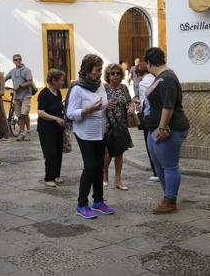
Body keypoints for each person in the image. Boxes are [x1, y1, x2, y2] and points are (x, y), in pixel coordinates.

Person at [66, 54, 115, 219]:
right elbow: (70, 114)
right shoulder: (77, 89)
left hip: (99, 132)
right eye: (97, 70)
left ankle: (98, 201)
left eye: (101, 69)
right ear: (87, 70)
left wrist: (108, 106)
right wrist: (88, 110)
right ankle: (81, 204)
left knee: (100, 166)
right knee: (91, 166)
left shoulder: (99, 86)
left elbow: (102, 102)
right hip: (84, 133)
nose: (100, 73)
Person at [143, 47, 190, 214]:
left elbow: (168, 106)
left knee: (169, 166)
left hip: (170, 129)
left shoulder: (167, 78)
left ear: (148, 63)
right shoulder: (161, 77)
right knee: (160, 165)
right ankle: (167, 196)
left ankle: (170, 200)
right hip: (154, 128)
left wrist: (162, 127)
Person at [103, 63, 134, 191]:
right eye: (113, 73)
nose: (116, 75)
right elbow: (99, 105)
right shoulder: (103, 88)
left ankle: (118, 180)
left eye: (118, 73)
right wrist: (105, 105)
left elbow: (129, 102)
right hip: (108, 124)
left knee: (120, 152)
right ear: (108, 76)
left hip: (121, 124)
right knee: (109, 152)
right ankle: (104, 172)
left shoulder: (123, 88)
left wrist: (131, 107)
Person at [37, 69, 66, 187]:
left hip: (58, 129)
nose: (63, 82)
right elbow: (40, 112)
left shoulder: (58, 92)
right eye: (61, 80)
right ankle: (48, 177)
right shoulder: (44, 94)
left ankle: (56, 175)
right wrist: (56, 118)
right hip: (46, 129)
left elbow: (59, 106)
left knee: (59, 152)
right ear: (54, 80)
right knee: (50, 153)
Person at [134, 61, 159, 182]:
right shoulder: (155, 78)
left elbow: (146, 101)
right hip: (159, 116)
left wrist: (139, 103)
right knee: (158, 142)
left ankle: (156, 172)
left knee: (150, 144)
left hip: (149, 117)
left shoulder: (143, 83)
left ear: (139, 74)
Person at [5, 54, 33, 141]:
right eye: (16, 60)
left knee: (25, 113)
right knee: (20, 116)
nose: (18, 61)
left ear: (21, 59)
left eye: (19, 59)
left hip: (26, 95)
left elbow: (30, 82)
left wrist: (19, 86)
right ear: (13, 61)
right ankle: (22, 133)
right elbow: (4, 78)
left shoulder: (27, 70)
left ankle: (28, 131)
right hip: (16, 96)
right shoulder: (12, 71)